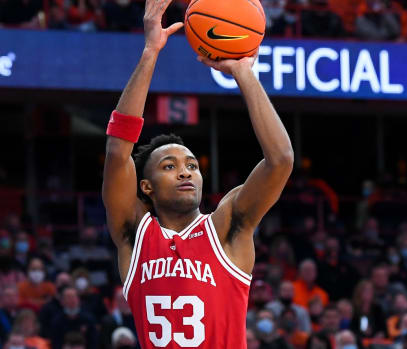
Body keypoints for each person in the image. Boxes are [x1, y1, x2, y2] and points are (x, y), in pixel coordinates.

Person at [101, 0, 293, 348]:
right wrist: (150, 52)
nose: (185, 172)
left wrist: (244, 73)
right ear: (146, 187)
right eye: (169, 166)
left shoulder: (227, 227)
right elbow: (117, 152)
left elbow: (280, 160)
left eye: (191, 165)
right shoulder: (134, 234)